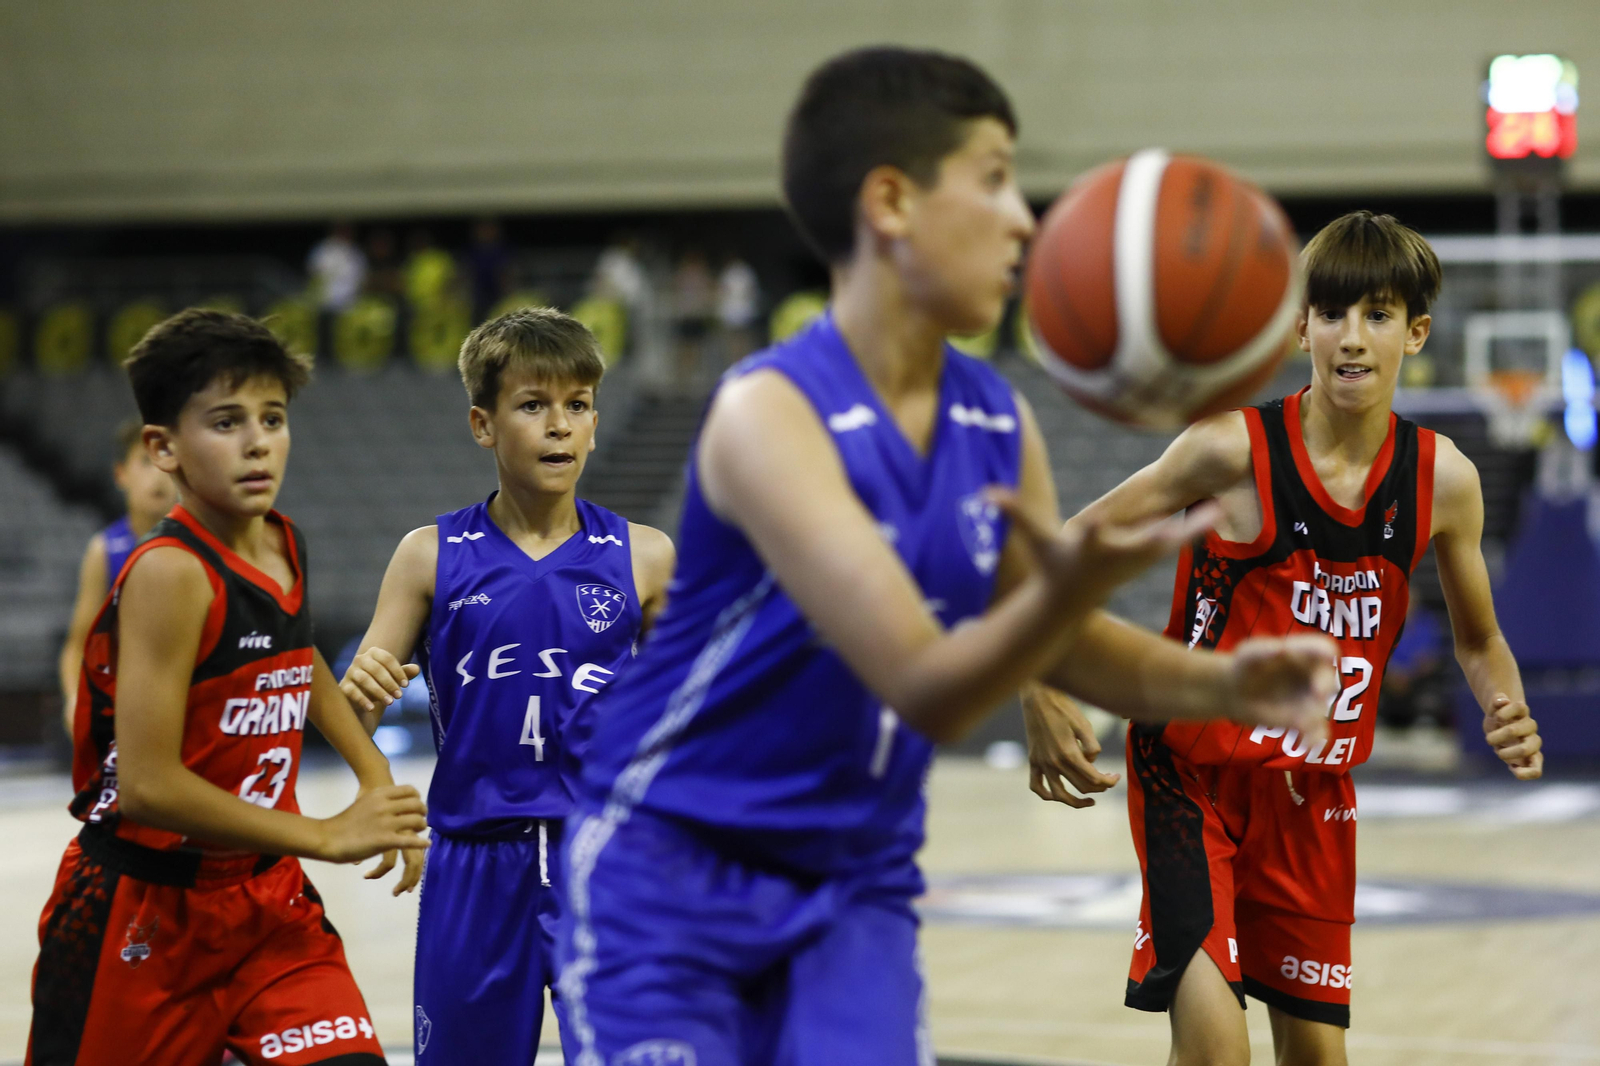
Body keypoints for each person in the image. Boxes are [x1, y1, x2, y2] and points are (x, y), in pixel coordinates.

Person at [554, 46, 1337, 1066]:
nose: (1024, 219)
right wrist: (1077, 581)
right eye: (995, 178)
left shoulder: (994, 415)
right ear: (891, 202)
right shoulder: (768, 412)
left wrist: (1222, 680)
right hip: (675, 873)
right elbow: (927, 683)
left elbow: (1067, 644)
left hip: (855, 884)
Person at [1036, 211, 1543, 1066]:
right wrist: (1038, 684)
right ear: (1299, 326)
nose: (1353, 339)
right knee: (1216, 1050)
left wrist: (1504, 700)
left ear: (1416, 333)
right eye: (1333, 314)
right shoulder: (1226, 451)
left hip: (1311, 797)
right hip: (1188, 775)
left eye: (1378, 315)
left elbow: (1479, 639)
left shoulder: (1444, 481)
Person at [29, 309, 428, 1066]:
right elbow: (147, 787)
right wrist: (325, 835)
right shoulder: (170, 573)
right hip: (144, 908)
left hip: (265, 903)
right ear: (163, 448)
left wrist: (373, 771)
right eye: (225, 421)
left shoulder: (283, 539)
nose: (257, 441)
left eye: (272, 418)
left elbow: (297, 656)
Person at [337, 307, 674, 1064]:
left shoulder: (647, 558)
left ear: (594, 423)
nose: (559, 426)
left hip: (606, 859)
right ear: (483, 425)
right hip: (473, 860)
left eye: (577, 406)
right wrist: (361, 695)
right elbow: (356, 710)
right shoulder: (428, 555)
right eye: (533, 405)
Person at [58, 418, 179, 733]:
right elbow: (78, 644)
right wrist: (74, 698)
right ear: (120, 475)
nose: (159, 475)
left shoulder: (205, 545)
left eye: (166, 460)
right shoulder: (104, 551)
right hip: (127, 711)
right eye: (145, 461)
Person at [306, 222, 366, 312]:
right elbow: (311, 273)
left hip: (350, 306)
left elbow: (362, 278)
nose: (343, 233)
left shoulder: (356, 253)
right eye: (341, 230)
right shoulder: (321, 250)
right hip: (322, 305)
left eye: (346, 230)